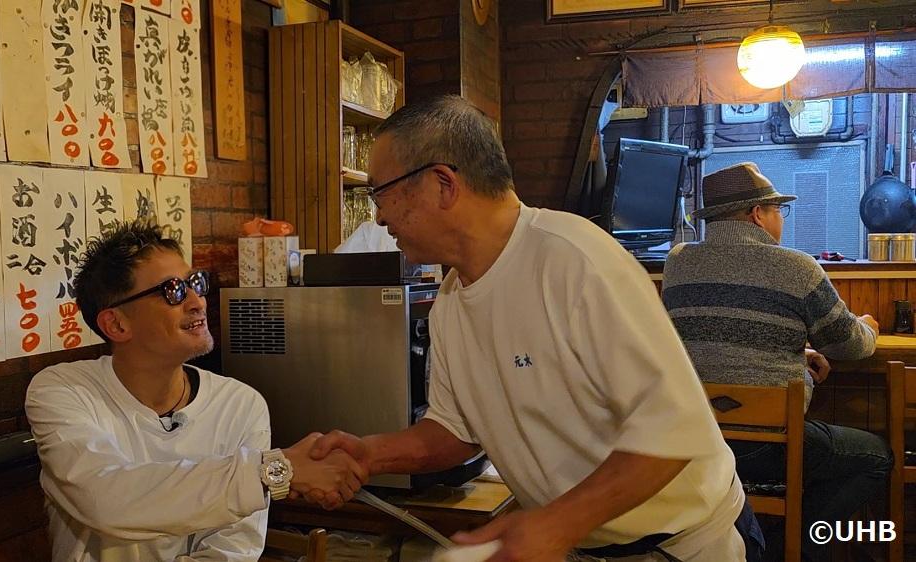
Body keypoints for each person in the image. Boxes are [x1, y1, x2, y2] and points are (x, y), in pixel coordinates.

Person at [306, 95, 763, 562]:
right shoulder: (449, 302)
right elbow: (455, 429)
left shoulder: (574, 260)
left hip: (684, 547)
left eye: (380, 193)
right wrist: (370, 454)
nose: (377, 216)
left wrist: (556, 524)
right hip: (585, 547)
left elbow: (672, 429)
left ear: (443, 184)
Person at [26, 220, 365, 562]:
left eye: (195, 283)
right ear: (116, 324)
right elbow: (103, 498)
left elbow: (231, 550)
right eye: (173, 290)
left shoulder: (240, 405)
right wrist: (271, 471)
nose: (198, 302)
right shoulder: (63, 391)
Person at [661, 161, 892, 561]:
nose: (779, 219)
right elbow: (851, 346)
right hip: (766, 450)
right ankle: (792, 545)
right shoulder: (796, 268)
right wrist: (868, 325)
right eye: (777, 210)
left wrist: (795, 355)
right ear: (757, 214)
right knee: (874, 457)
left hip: (698, 444)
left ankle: (760, 538)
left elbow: (715, 339)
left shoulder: (678, 263)